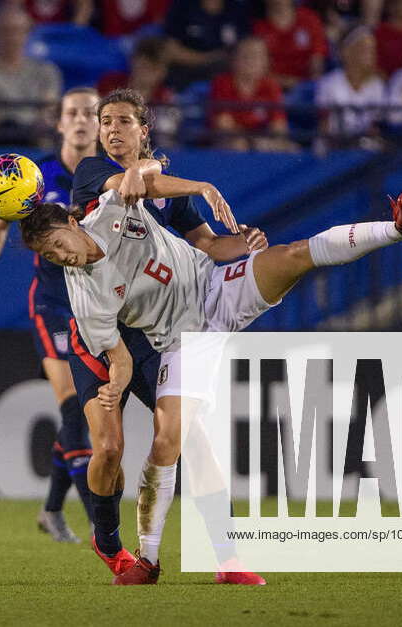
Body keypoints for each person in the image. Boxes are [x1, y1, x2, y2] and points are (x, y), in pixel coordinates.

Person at [20, 180, 402, 586]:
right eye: (48, 254)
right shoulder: (86, 279)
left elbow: (157, 195)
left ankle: (395, 230)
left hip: (210, 294)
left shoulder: (123, 200)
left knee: (292, 256)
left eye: (57, 243)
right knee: (142, 445)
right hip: (158, 342)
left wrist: (203, 191)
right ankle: (126, 549)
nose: (59, 256)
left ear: (73, 223)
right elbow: (120, 356)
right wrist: (117, 382)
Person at [65, 88, 274, 585]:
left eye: (123, 122)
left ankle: (227, 557)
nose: (112, 130)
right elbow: (133, 184)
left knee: (190, 442)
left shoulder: (164, 186)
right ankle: (108, 538)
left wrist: (245, 245)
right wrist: (198, 184)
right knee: (110, 448)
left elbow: (207, 244)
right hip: (99, 333)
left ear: (144, 129)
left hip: (152, 336)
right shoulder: (90, 174)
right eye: (106, 121)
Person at [0, 87, 103, 543]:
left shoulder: (111, 176)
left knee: (85, 412)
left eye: (89, 113)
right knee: (74, 408)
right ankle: (106, 533)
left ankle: (51, 510)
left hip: (98, 307)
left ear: (100, 123)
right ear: (59, 123)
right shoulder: (35, 177)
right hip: (54, 304)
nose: (80, 120)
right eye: (72, 113)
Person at [0, 4, 62, 132]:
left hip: (36, 144)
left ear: (27, 33)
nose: (11, 38)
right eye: (4, 31)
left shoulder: (47, 71)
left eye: (17, 30)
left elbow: (47, 114)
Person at [208, 36, 292, 151]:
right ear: (234, 59)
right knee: (238, 145)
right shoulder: (222, 83)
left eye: (258, 56)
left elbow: (279, 126)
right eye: (246, 56)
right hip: (230, 142)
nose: (251, 61)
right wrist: (254, 141)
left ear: (266, 62)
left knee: (291, 149)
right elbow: (224, 125)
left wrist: (265, 142)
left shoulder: (271, 86)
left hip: (261, 141)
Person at [315, 24, 385, 140]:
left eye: (372, 49)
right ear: (347, 51)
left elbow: (375, 127)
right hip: (334, 147)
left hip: (364, 148)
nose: (370, 54)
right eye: (364, 48)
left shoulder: (377, 85)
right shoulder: (329, 83)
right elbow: (324, 126)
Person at [253, 0, 328, 91]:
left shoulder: (309, 19)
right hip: (271, 86)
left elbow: (317, 59)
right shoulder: (257, 26)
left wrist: (311, 82)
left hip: (306, 86)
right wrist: (285, 82)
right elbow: (256, 66)